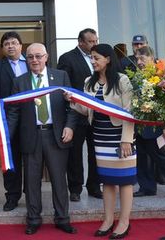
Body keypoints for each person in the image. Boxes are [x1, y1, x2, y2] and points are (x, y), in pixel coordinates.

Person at [8, 43, 77, 235]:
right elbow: (13, 112)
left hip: (56, 136)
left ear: (46, 57)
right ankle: (33, 219)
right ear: (26, 59)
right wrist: (6, 138)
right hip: (31, 136)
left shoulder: (60, 77)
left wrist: (70, 126)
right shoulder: (19, 82)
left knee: (58, 180)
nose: (34, 60)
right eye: (30, 57)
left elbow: (72, 105)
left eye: (38, 56)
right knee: (31, 181)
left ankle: (62, 218)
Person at [69, 43, 135, 239]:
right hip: (100, 136)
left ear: (108, 59)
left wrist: (126, 140)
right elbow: (86, 110)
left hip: (120, 137)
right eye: (91, 58)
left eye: (96, 58)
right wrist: (73, 99)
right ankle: (108, 220)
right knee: (106, 181)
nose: (93, 61)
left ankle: (124, 222)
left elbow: (130, 112)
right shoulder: (89, 81)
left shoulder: (122, 80)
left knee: (124, 181)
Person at [56, 28, 102, 201]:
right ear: (80, 42)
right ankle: (75, 189)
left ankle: (94, 186)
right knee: (75, 153)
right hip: (77, 113)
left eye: (96, 41)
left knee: (95, 152)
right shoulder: (67, 58)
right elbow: (64, 85)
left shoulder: (99, 58)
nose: (94, 44)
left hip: (97, 114)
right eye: (91, 41)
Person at [0, 31, 27, 211]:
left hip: (32, 119)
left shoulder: (33, 62)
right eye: (6, 44)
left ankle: (32, 194)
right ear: (3, 48)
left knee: (33, 159)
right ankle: (12, 196)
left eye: (14, 43)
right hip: (8, 120)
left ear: (21, 45)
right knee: (11, 160)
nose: (10, 46)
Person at [132, 46, 165, 198]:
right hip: (140, 123)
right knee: (142, 157)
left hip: (156, 125)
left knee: (159, 156)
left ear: (151, 59)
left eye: (142, 59)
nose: (139, 62)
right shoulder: (137, 77)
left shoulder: (160, 76)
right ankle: (147, 187)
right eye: (137, 58)